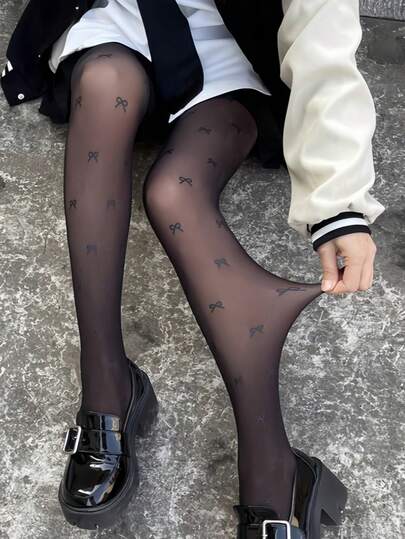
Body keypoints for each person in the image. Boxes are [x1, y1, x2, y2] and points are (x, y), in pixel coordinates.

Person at [1, 1, 384, 536]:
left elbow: (323, 24)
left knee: (172, 193)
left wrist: (339, 202)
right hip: (120, 26)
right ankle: (106, 384)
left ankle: (273, 463)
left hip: (230, 45)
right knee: (104, 82)